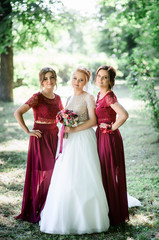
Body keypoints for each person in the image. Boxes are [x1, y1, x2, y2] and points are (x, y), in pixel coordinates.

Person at [39, 67, 110, 235]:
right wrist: (64, 125)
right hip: (69, 141)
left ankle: (88, 217)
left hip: (83, 138)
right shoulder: (69, 97)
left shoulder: (88, 97)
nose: (77, 82)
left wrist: (74, 129)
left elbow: (93, 121)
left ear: (86, 83)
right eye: (75, 78)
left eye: (81, 80)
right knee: (66, 174)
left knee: (84, 174)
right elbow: (66, 118)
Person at [14, 67, 63, 223]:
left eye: (52, 77)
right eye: (46, 78)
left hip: (54, 136)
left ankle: (48, 205)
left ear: (56, 79)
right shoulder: (37, 97)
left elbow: (62, 117)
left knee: (54, 172)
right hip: (40, 137)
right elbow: (18, 112)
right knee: (45, 172)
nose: (49, 81)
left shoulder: (58, 98)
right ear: (41, 81)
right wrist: (28, 131)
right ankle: (36, 205)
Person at [95, 65, 130, 226]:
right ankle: (106, 207)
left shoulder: (109, 96)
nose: (101, 79)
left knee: (108, 171)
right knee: (102, 171)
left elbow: (123, 115)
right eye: (99, 76)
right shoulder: (98, 95)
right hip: (99, 136)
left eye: (105, 77)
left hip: (108, 138)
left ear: (110, 81)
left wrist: (111, 128)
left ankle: (114, 211)